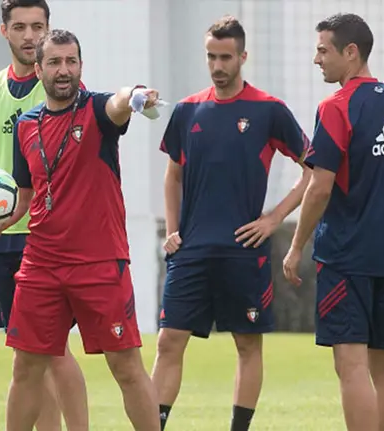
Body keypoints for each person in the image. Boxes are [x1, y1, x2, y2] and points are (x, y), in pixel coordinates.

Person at [0, 29, 161, 431]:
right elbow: (25, 200)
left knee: (126, 366)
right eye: (55, 62)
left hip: (98, 261)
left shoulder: (98, 111)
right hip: (41, 262)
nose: (64, 70)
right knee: (26, 367)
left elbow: (119, 101)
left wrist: (134, 95)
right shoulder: (26, 126)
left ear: (81, 66)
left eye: (71, 61)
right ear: (39, 69)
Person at [150, 15, 311, 431]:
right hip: (191, 251)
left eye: (225, 57)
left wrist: (275, 217)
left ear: (242, 56)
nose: (217, 66)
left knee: (246, 344)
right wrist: (172, 230)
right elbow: (172, 174)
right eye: (210, 57)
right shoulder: (187, 110)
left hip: (244, 252)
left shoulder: (269, 110)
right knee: (169, 341)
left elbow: (312, 170)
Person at [0, 1, 89, 429]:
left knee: (55, 351)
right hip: (3, 239)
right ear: (4, 31)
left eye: (38, 27)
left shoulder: (66, 89)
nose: (30, 36)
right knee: (30, 358)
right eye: (21, 27)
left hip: (50, 239)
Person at [282, 13, 384, 431]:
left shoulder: (336, 107)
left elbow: (320, 187)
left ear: (351, 52)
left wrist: (297, 245)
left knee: (351, 364)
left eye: (324, 49)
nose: (316, 59)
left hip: (345, 255)